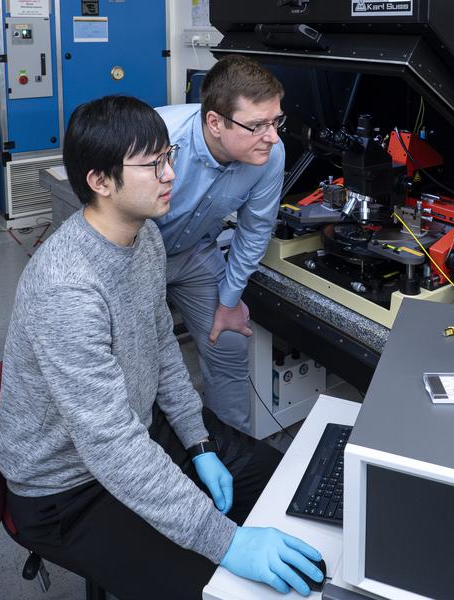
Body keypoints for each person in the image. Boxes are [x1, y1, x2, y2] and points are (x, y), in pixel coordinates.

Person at [0, 95, 323, 600]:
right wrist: (227, 542)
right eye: (153, 165)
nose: (171, 175)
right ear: (100, 182)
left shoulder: (144, 236)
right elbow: (110, 448)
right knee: (219, 585)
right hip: (67, 490)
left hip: (140, 431)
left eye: (169, 157)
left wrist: (198, 444)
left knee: (277, 483)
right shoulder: (66, 289)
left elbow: (162, 347)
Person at [155, 55, 286, 433]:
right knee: (138, 359)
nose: (273, 136)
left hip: (194, 251)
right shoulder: (159, 137)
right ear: (215, 122)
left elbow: (255, 228)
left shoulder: (269, 154)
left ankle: (233, 453)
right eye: (258, 125)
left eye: (276, 121)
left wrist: (229, 301)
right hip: (135, 255)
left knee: (228, 342)